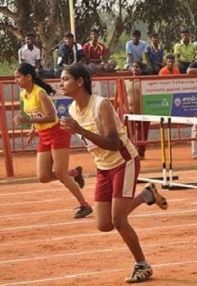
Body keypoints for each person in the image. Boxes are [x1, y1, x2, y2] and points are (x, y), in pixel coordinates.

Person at [59, 63, 168, 283]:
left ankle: (142, 265)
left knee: (118, 220)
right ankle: (147, 195)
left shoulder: (101, 105)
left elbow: (113, 143)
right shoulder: (72, 109)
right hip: (103, 166)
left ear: (80, 82)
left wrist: (80, 130)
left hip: (123, 161)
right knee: (104, 224)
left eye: (65, 79)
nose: (61, 83)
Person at [14, 63, 92, 219]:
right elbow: (37, 114)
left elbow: (51, 116)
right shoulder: (23, 94)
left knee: (60, 174)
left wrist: (28, 121)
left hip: (57, 132)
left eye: (18, 76)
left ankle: (85, 205)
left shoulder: (40, 93)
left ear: (29, 77)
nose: (16, 80)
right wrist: (33, 129)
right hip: (44, 134)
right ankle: (74, 173)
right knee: (43, 176)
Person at [126, 61, 150, 159]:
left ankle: (141, 153)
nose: (135, 69)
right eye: (133, 67)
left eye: (137, 67)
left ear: (141, 69)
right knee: (129, 133)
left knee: (142, 133)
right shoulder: (126, 81)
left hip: (143, 111)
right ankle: (130, 152)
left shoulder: (144, 81)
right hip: (130, 111)